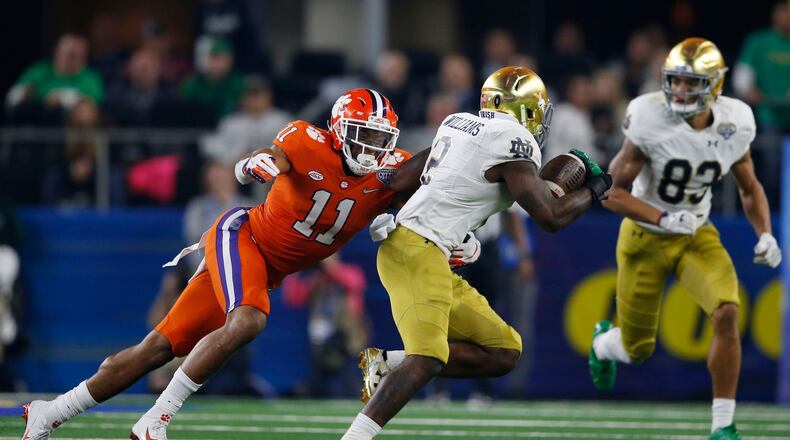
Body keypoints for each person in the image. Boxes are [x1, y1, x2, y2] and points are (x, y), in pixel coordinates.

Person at [20, 88, 435, 440]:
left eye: (381, 139)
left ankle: (49, 412)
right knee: (249, 320)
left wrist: (453, 237)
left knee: (156, 348)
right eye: (363, 136)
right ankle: (154, 421)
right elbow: (270, 156)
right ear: (339, 130)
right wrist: (252, 164)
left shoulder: (391, 170)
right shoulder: (307, 140)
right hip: (241, 237)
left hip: (269, 269)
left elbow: (421, 206)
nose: (372, 149)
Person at [341, 66, 611, 439]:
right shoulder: (515, 140)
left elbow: (400, 178)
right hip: (417, 248)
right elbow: (550, 216)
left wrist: (408, 215)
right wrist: (594, 190)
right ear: (530, 110)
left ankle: (387, 364)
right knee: (428, 358)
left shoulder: (457, 122)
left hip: (425, 248)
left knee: (504, 351)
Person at [587, 38, 782, 440]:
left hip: (696, 233)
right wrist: (661, 215)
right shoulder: (648, 117)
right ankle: (605, 344)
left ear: (714, 86)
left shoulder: (736, 122)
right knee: (636, 350)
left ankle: (722, 425)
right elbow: (610, 192)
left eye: (689, 84)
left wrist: (765, 233)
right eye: (674, 82)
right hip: (644, 236)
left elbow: (748, 187)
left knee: (727, 311)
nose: (678, 92)